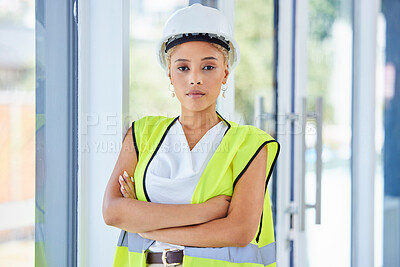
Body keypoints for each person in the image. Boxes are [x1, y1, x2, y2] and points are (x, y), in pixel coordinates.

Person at [102, 4, 280, 267]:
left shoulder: (250, 144)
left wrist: (147, 226)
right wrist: (206, 212)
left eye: (208, 67)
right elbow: (113, 211)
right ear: (170, 75)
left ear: (225, 73)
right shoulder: (142, 134)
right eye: (183, 67)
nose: (194, 79)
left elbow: (240, 231)